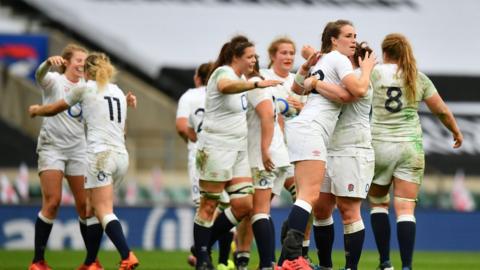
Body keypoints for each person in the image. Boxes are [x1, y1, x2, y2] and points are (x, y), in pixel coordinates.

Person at [29, 52, 139, 270]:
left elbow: (54, 109)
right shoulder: (118, 92)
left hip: (100, 155)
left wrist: (36, 110)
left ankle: (127, 255)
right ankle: (90, 263)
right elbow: (123, 130)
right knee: (90, 206)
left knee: (102, 209)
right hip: (121, 156)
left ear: (88, 71)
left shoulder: (84, 88)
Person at [279, 19, 375, 270]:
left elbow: (298, 89)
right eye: (348, 35)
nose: (353, 40)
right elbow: (353, 91)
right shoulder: (339, 60)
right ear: (334, 39)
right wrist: (366, 69)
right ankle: (291, 256)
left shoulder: (322, 61)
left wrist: (308, 72)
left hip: (305, 129)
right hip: (313, 131)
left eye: (356, 36)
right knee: (309, 196)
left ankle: (285, 259)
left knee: (308, 199)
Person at [367, 33, 463, 270]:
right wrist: (455, 131)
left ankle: (385, 262)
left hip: (378, 144)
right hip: (410, 147)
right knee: (406, 208)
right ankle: (407, 266)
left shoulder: (374, 73)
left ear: (385, 51)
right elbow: (441, 110)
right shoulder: (417, 77)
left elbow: (354, 93)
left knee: (379, 203)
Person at [192, 35, 281, 270]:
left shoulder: (242, 78)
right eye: (249, 56)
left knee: (245, 204)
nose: (254, 60)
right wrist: (254, 84)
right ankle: (202, 258)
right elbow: (225, 87)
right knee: (208, 205)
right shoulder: (223, 73)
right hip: (216, 147)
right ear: (236, 57)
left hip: (238, 149)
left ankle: (203, 244)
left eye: (254, 56)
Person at [27, 44, 105, 270]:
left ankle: (91, 262)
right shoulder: (54, 81)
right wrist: (46, 63)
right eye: (78, 60)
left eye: (84, 60)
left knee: (85, 207)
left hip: (79, 149)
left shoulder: (87, 87)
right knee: (53, 202)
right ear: (67, 62)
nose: (82, 63)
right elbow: (38, 75)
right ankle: (38, 261)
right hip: (52, 147)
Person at [304, 42, 375, 270]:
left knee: (348, 210)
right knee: (322, 208)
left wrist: (314, 82)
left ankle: (350, 267)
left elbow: (345, 95)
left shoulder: (359, 81)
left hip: (353, 150)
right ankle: (325, 266)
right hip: (328, 148)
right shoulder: (339, 76)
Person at [175, 63, 235, 270]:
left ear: (198, 78)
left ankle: (203, 254)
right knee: (228, 208)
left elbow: (182, 126)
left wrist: (192, 140)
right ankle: (223, 261)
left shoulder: (190, 96)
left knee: (206, 208)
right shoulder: (229, 92)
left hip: (201, 156)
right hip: (229, 153)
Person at [245, 56, 291, 270]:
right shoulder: (266, 85)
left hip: (267, 157)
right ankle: (271, 262)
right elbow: (278, 117)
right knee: (262, 211)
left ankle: (266, 264)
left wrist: (264, 149)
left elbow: (266, 116)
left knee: (259, 211)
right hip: (281, 156)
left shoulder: (254, 87)